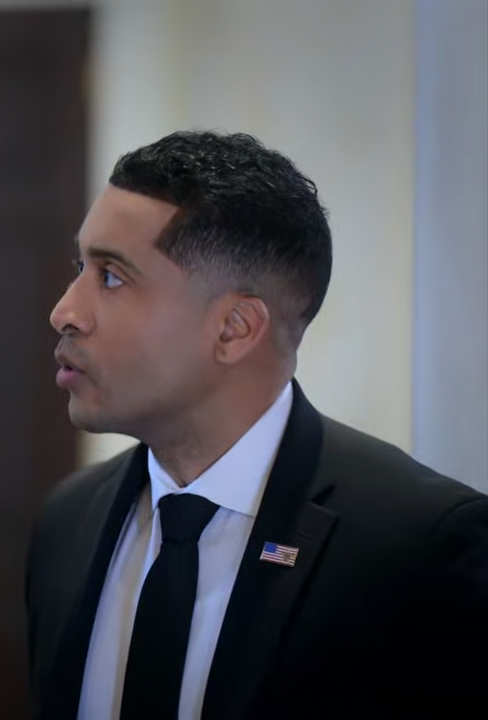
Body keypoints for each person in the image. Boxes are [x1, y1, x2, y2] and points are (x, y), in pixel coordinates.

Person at [26, 130, 488, 719]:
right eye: (80, 266)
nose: (64, 311)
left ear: (234, 329)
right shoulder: (67, 522)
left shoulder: (419, 548)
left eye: (111, 276)